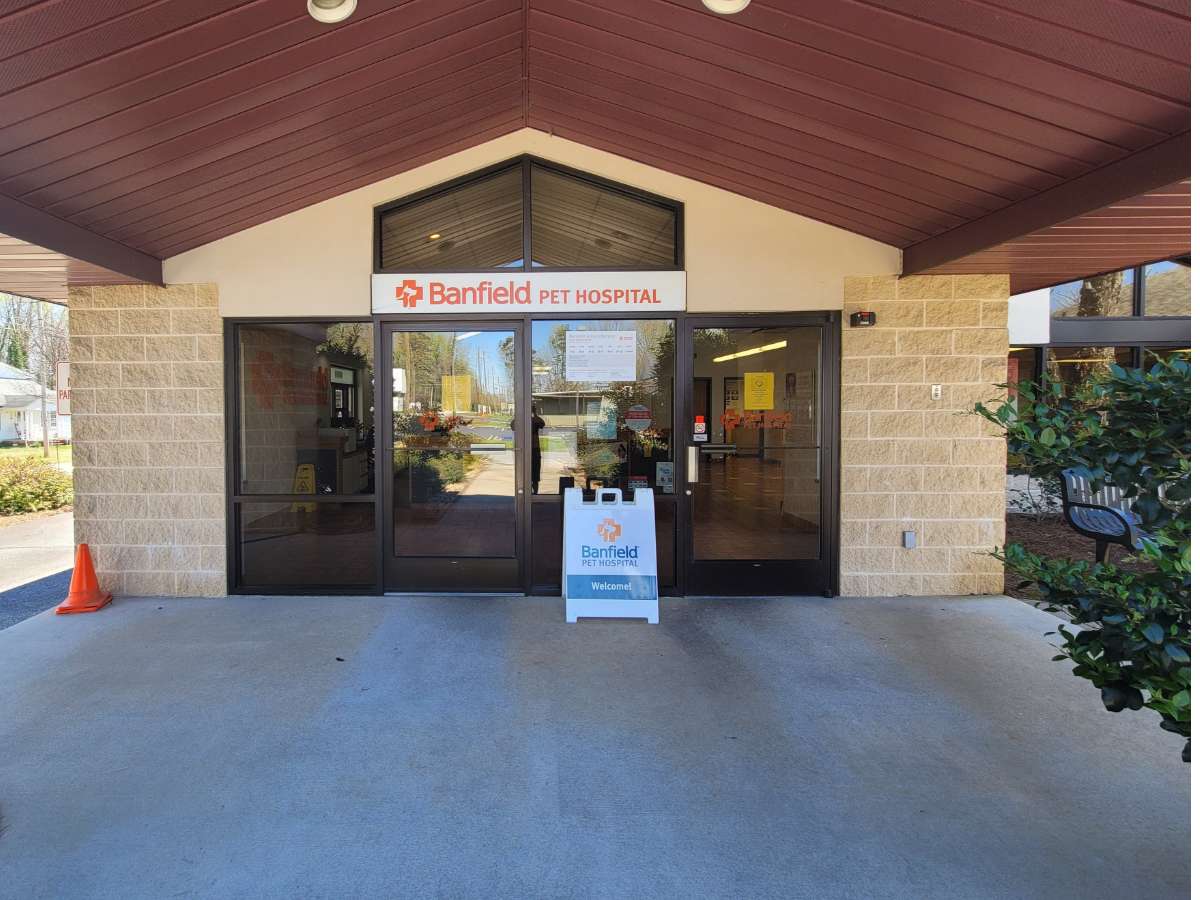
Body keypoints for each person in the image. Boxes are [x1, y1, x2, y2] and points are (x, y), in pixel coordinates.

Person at [512, 406, 546, 493]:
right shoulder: (521, 420)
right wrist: (519, 416)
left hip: (534, 449)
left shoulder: (535, 420)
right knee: (524, 474)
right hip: (524, 449)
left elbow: (542, 424)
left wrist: (534, 415)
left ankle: (535, 493)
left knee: (535, 474)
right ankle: (526, 493)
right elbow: (513, 426)